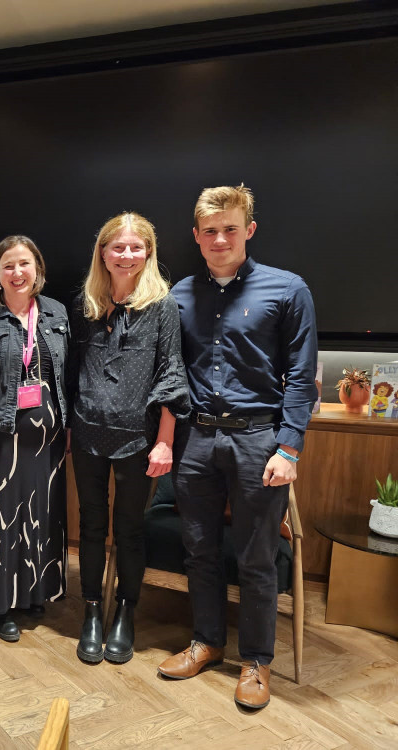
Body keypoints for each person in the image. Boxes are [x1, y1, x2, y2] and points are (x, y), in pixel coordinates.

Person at [159, 185, 317, 710]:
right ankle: (206, 641)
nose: (220, 238)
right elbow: (169, 372)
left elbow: (300, 377)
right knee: (199, 549)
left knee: (256, 558)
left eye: (230, 228)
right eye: (210, 231)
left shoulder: (288, 290)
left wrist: (289, 448)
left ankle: (256, 661)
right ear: (197, 237)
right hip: (197, 440)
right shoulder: (177, 295)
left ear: (248, 230)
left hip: (259, 440)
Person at [69, 213, 190, 664]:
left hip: (139, 440)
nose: (126, 255)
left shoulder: (163, 307)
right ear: (103, 252)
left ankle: (125, 610)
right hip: (86, 435)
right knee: (92, 526)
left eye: (136, 247)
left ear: (149, 252)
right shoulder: (85, 305)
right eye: (117, 247)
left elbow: (172, 375)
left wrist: (164, 441)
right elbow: (69, 372)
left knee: (131, 529)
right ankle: (92, 610)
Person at [0, 235, 70, 642]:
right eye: (8, 266)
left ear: (37, 269)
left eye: (25, 264)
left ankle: (34, 592)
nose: (17, 272)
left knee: (39, 516)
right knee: (0, 520)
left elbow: (64, 376)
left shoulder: (56, 313)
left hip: (48, 444)